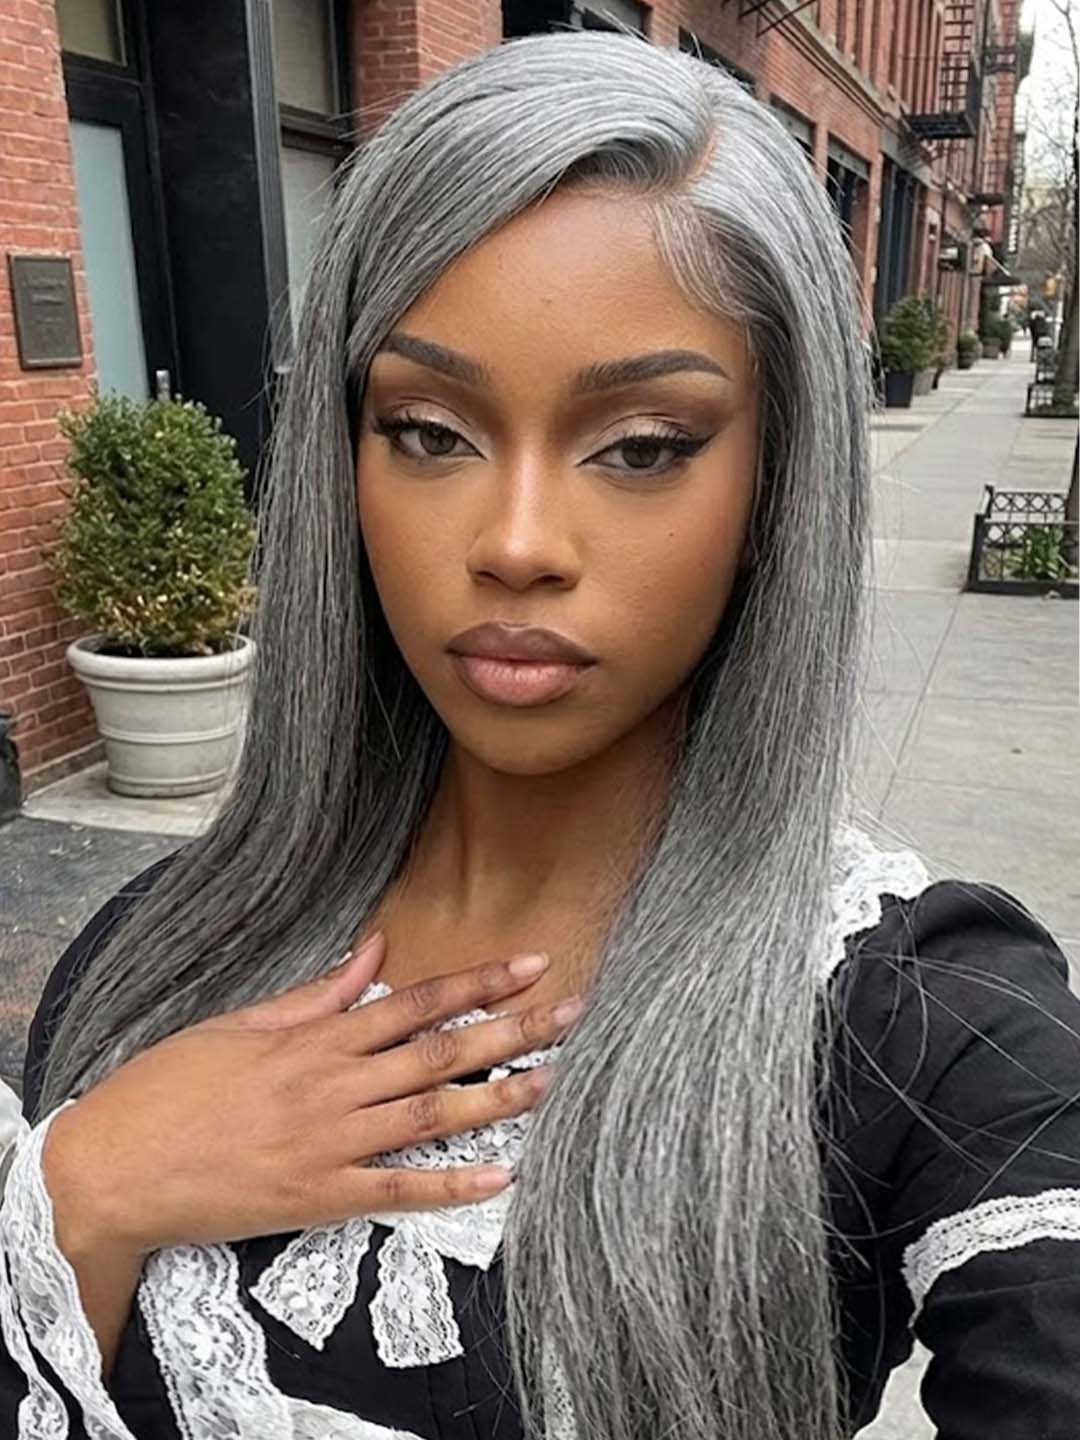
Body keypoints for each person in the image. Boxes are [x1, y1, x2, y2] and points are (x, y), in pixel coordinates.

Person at [2, 30, 1078, 1440]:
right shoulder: (153, 949)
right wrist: (85, 1192)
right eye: (429, 430)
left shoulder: (914, 1021)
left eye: (642, 447)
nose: (515, 544)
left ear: (777, 480)